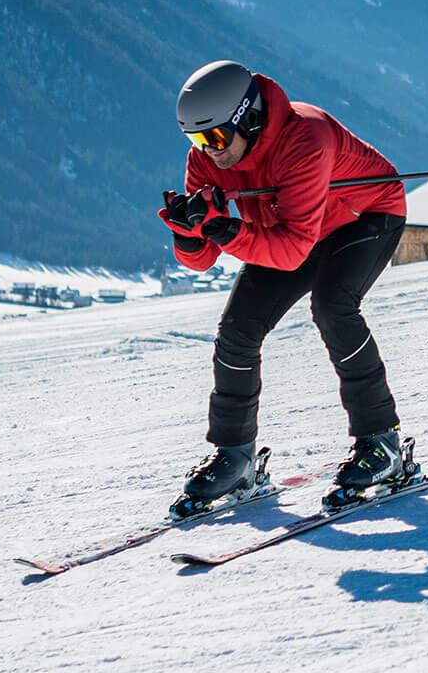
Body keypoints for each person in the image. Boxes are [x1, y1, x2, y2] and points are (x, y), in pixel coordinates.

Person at [160, 59, 409, 510]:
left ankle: (383, 445)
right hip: (287, 229)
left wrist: (227, 231)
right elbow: (201, 261)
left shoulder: (305, 138)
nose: (207, 150)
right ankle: (235, 458)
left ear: (248, 118)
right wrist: (189, 232)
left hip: (363, 216)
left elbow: (293, 251)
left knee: (333, 306)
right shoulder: (206, 160)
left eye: (215, 136)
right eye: (196, 138)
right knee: (237, 330)